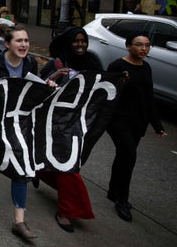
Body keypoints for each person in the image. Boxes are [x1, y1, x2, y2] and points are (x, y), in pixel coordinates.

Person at [0, 23, 57, 240]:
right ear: (7, 44)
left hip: (19, 122)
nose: (24, 44)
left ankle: (19, 221)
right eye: (19, 40)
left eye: (26, 41)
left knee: (21, 166)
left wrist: (46, 86)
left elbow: (31, 89)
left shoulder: (29, 63)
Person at [37, 27, 101, 232]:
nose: (80, 45)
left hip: (81, 121)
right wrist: (54, 76)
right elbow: (38, 87)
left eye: (84, 41)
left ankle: (40, 171)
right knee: (68, 165)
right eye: (76, 41)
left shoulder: (93, 61)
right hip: (57, 122)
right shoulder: (57, 62)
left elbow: (102, 87)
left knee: (66, 163)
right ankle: (67, 210)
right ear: (68, 43)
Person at [105, 32, 167, 222]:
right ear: (128, 46)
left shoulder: (146, 67)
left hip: (137, 122)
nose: (143, 49)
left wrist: (157, 125)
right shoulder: (118, 65)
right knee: (129, 156)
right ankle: (122, 201)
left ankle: (113, 191)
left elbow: (148, 98)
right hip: (118, 121)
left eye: (147, 45)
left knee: (124, 156)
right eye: (139, 45)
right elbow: (106, 91)